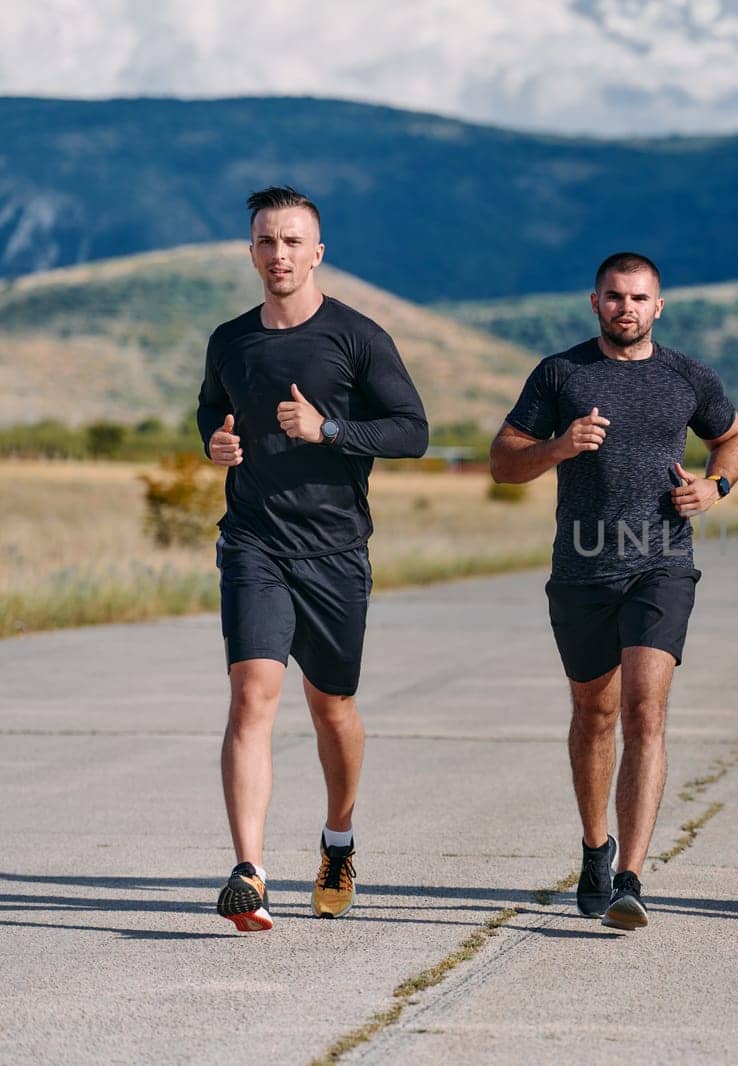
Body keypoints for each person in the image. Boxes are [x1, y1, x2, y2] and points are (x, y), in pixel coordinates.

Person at [490, 253, 738, 931]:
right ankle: (595, 849)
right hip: (581, 571)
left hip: (661, 563)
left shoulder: (687, 376)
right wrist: (559, 446)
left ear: (658, 306)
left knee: (644, 709)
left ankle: (632, 876)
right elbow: (502, 462)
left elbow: (734, 437)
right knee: (594, 714)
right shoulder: (560, 374)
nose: (625, 307)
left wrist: (715, 486)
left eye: (639, 297)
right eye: (614, 297)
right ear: (594, 302)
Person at [198, 186, 429, 931]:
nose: (279, 255)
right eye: (267, 241)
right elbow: (212, 407)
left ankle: (337, 841)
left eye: (293, 241)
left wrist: (329, 430)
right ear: (252, 251)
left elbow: (411, 432)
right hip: (254, 543)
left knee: (331, 708)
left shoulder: (358, 338)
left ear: (318, 251)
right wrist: (216, 443)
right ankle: (250, 872)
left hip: (334, 551)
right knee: (252, 695)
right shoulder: (230, 340)